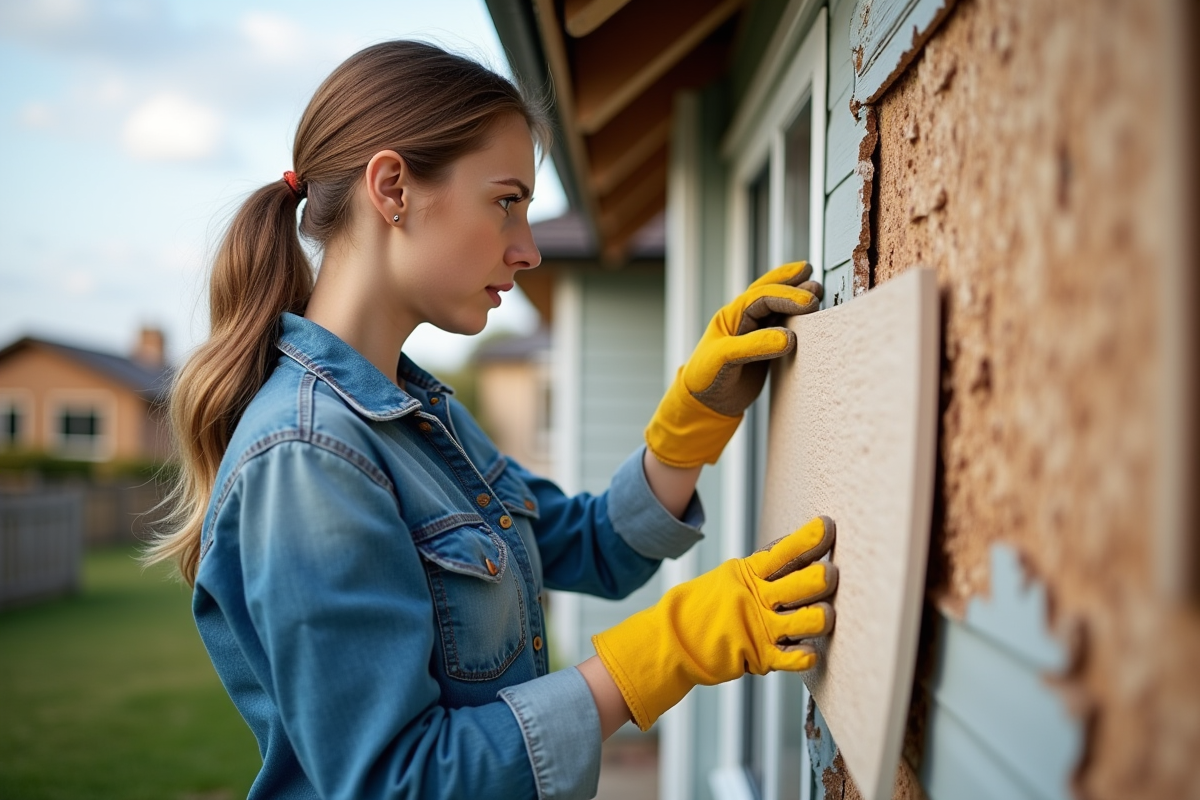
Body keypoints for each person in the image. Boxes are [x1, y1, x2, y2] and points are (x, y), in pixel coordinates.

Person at [145, 40, 837, 800]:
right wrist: (658, 655)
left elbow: (594, 547)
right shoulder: (309, 455)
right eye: (507, 201)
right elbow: (397, 784)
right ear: (393, 189)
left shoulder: (418, 417)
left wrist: (690, 425)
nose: (530, 249)